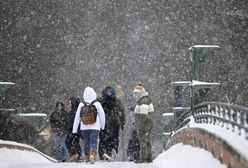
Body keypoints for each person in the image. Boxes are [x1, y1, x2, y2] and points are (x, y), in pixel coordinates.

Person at [72, 87, 105, 164]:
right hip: (95, 126)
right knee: (94, 142)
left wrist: (74, 129)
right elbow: (102, 116)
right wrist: (102, 126)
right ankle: (92, 155)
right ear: (94, 94)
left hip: (84, 127)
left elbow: (77, 117)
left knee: (86, 142)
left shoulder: (81, 104)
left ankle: (87, 156)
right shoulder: (97, 104)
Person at [97, 86, 125, 161]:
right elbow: (122, 111)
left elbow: (96, 111)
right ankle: (112, 151)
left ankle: (102, 153)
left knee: (103, 139)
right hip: (115, 122)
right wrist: (122, 122)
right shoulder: (117, 100)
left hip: (103, 123)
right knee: (114, 138)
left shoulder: (100, 100)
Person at [132, 82, 154, 163]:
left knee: (143, 141)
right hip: (148, 123)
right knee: (147, 140)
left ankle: (143, 158)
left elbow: (143, 115)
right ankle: (149, 157)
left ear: (139, 93)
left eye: (135, 93)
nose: (134, 95)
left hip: (144, 125)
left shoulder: (143, 101)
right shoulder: (145, 99)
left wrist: (140, 126)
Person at [65, 96, 82, 162]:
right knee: (75, 142)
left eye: (70, 102)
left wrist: (70, 128)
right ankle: (78, 155)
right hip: (76, 130)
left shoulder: (74, 111)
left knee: (68, 141)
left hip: (73, 130)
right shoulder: (78, 109)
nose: (69, 103)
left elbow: (71, 121)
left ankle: (74, 154)